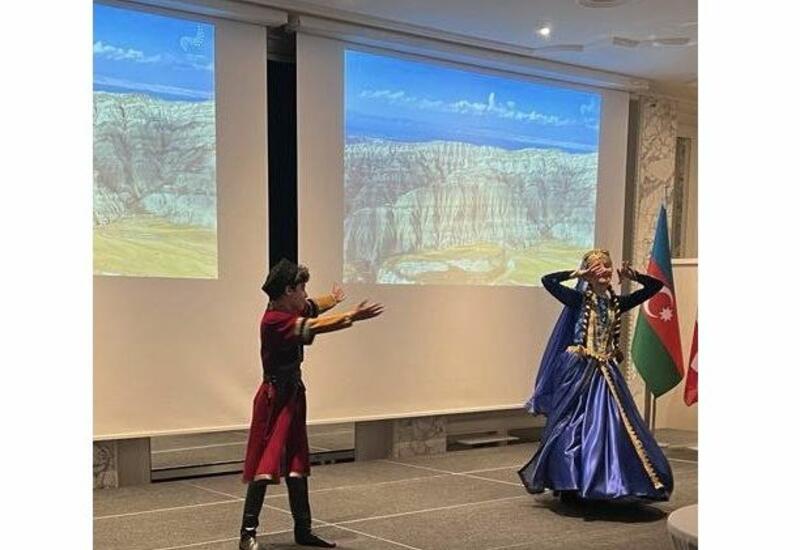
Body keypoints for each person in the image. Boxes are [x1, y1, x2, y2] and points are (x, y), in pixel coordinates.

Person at [239, 259, 384, 549]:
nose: (305, 294)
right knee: (265, 462)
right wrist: (351, 316)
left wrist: (333, 299)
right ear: (288, 290)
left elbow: (312, 307)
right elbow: (314, 324)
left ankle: (303, 531)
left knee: (296, 461)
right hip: (274, 400)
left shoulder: (287, 307)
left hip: (291, 395)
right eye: (302, 288)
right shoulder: (274, 321)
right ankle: (247, 534)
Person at [518, 249, 673, 503]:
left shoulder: (617, 303)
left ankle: (607, 478)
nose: (603, 270)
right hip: (579, 370)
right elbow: (548, 281)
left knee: (612, 424)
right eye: (597, 266)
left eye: (607, 266)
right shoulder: (578, 299)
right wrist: (577, 274)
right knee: (571, 424)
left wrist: (634, 276)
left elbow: (654, 287)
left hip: (606, 372)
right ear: (589, 272)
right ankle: (568, 481)